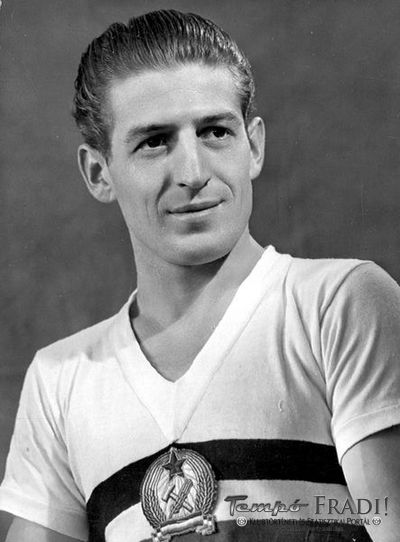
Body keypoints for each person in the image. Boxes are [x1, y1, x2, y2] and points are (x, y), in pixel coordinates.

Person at [1, 9, 400, 542]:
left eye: (215, 131)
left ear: (253, 146)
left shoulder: (339, 305)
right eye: (154, 141)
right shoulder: (61, 381)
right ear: (99, 172)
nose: (192, 173)